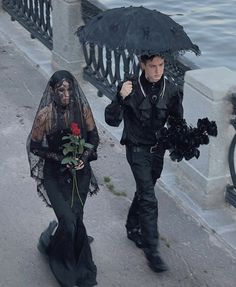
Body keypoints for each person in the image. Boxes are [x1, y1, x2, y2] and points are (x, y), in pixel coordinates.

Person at [105, 54, 183, 273]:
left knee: (144, 192)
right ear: (142, 65)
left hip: (157, 151)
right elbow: (111, 119)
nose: (158, 71)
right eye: (152, 66)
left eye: (161, 65)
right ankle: (153, 251)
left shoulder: (172, 89)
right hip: (136, 150)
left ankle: (132, 226)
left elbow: (178, 122)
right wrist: (121, 98)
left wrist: (184, 138)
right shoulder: (130, 86)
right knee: (149, 199)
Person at [27, 70, 99, 287]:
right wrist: (61, 159)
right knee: (68, 220)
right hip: (54, 175)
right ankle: (61, 264)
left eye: (69, 89)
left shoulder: (83, 109)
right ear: (52, 91)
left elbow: (94, 137)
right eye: (61, 90)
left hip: (80, 173)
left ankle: (57, 243)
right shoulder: (45, 116)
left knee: (76, 218)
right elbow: (35, 146)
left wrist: (84, 158)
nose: (66, 94)